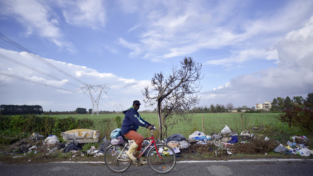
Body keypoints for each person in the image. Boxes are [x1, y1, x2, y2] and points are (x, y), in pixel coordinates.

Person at [121, 100, 154, 164]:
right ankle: (129, 152)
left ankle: (137, 161)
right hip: (127, 130)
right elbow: (137, 121)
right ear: (133, 105)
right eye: (136, 105)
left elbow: (141, 120)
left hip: (131, 130)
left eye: (138, 105)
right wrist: (146, 126)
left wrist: (149, 124)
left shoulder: (135, 112)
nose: (137, 106)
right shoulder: (131, 112)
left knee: (140, 143)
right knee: (140, 138)